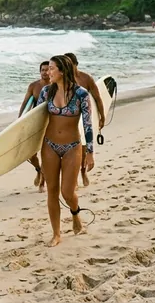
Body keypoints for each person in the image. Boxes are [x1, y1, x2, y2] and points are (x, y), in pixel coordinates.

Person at [37, 55, 93, 247]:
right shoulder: (46, 92)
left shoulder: (81, 94)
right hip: (49, 146)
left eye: (51, 68)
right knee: (52, 191)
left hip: (72, 147)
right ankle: (56, 234)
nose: (48, 72)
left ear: (62, 71)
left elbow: (87, 124)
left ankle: (75, 214)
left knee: (67, 192)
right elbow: (35, 122)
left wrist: (90, 152)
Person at [64, 53, 105, 187]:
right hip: (70, 119)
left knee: (83, 148)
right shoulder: (63, 80)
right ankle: (74, 176)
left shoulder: (86, 78)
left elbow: (97, 98)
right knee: (71, 150)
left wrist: (102, 116)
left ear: (76, 64)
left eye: (69, 64)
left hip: (84, 118)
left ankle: (83, 171)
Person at [20, 61, 50, 192]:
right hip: (35, 124)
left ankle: (43, 182)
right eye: (42, 70)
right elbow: (25, 103)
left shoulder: (56, 86)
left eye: (47, 70)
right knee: (31, 154)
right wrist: (19, 121)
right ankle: (39, 170)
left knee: (45, 154)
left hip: (50, 124)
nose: (45, 72)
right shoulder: (34, 86)